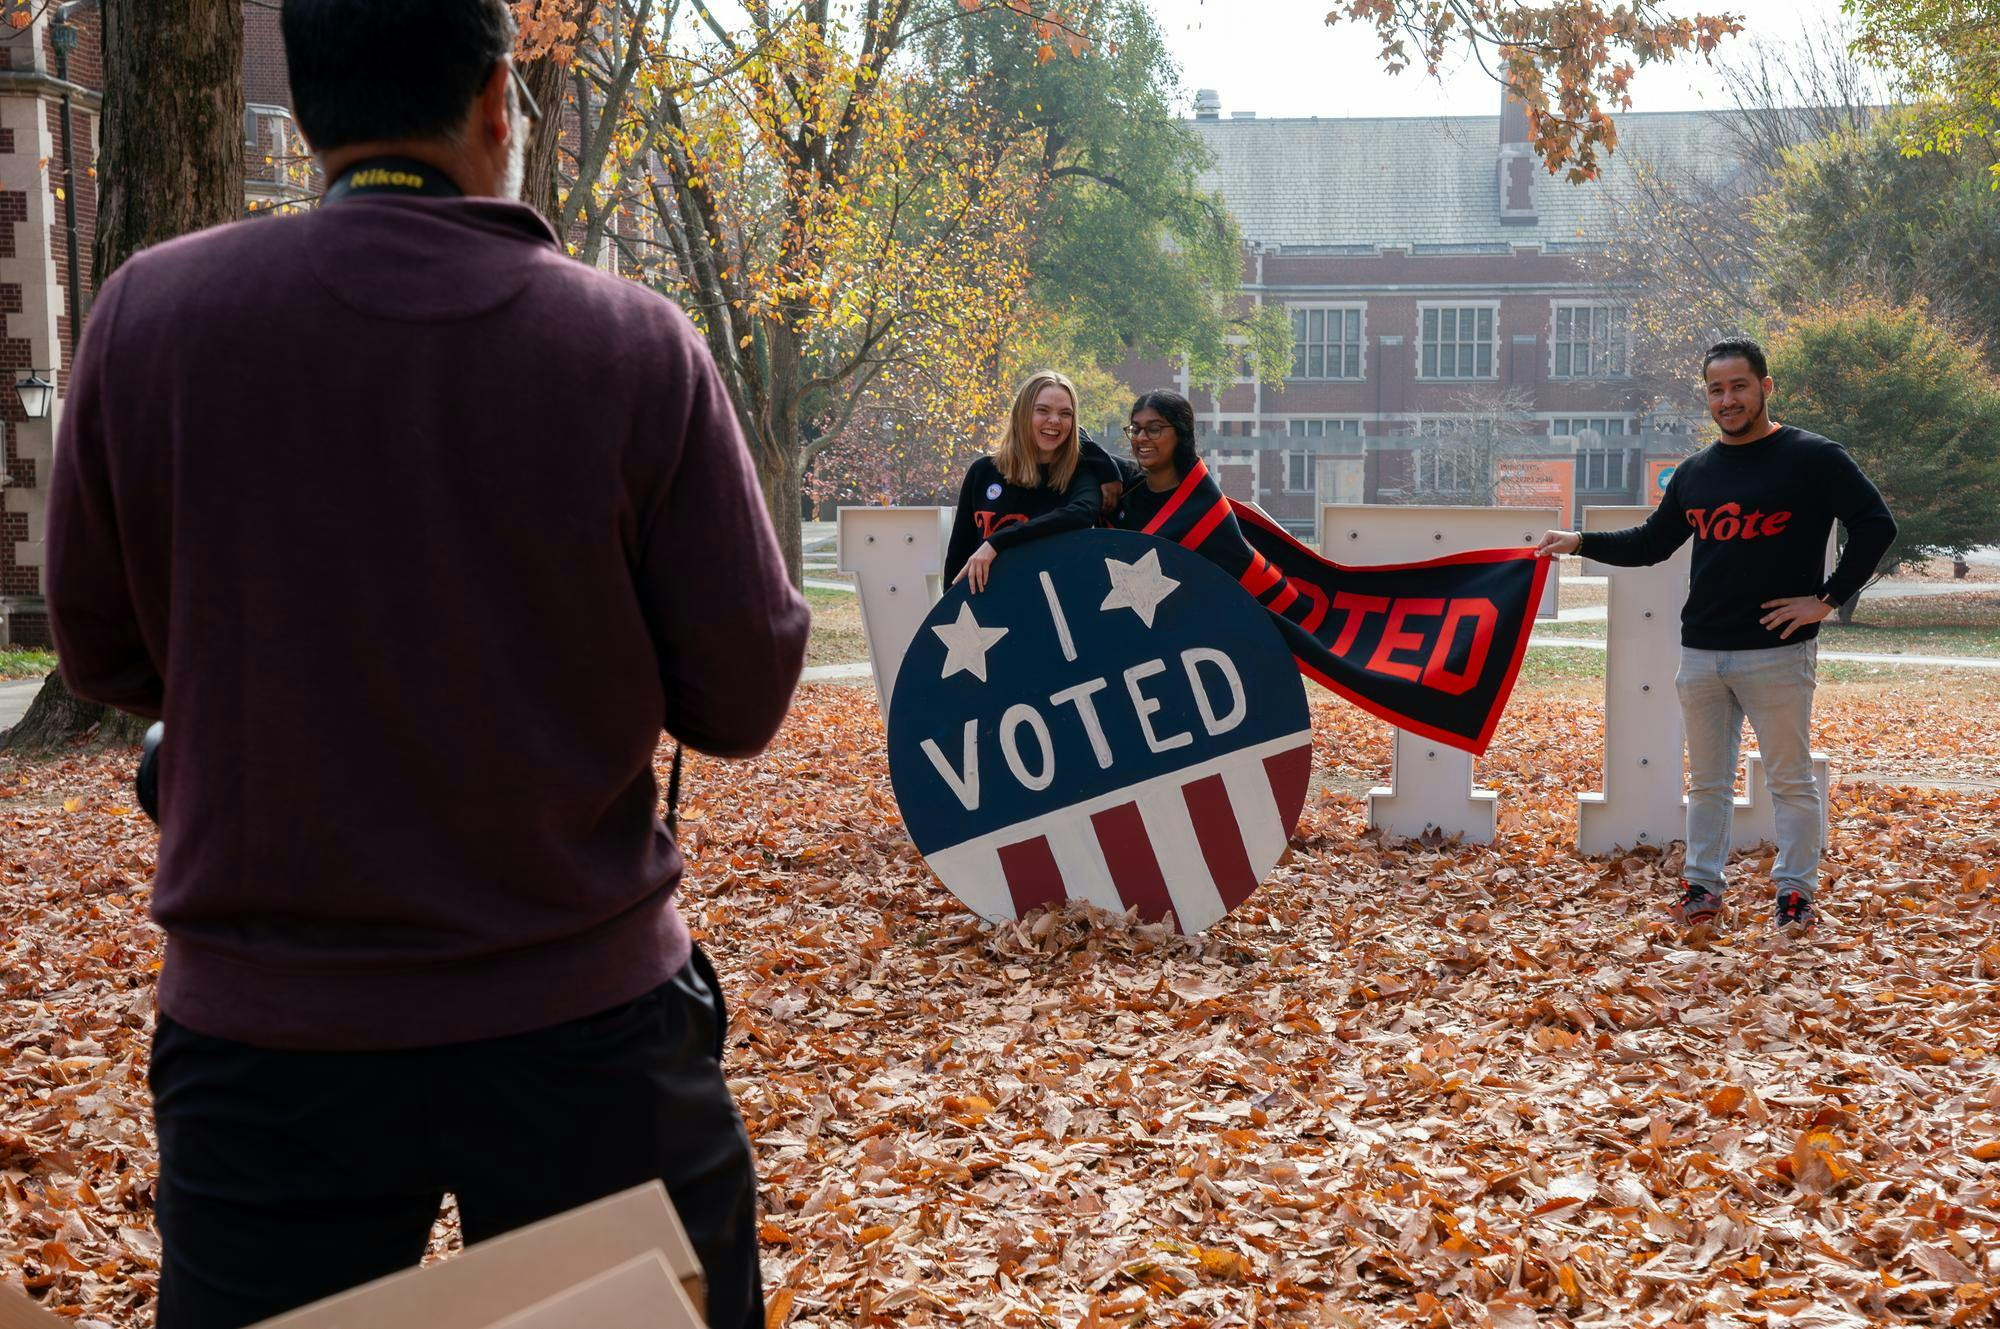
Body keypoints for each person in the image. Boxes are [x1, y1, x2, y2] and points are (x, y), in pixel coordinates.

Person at [42, 3, 806, 1326]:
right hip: (587, 1031)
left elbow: (104, 652)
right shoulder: (633, 349)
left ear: (319, 115)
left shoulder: (146, 320)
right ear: (500, 103)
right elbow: (742, 696)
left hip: (268, 1045)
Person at [1534, 336, 1895, 935]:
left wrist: (1826, 599)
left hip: (1777, 652)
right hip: (1701, 651)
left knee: (1789, 781)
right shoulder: (1698, 472)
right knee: (1706, 784)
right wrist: (1579, 543)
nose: (1727, 400)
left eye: (1739, 386)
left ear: (1765, 387)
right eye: (1716, 389)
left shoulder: (1813, 457)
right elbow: (1652, 543)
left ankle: (1795, 895)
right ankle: (1702, 888)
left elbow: (1876, 524)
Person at [943, 371, 1106, 592]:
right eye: (1042, 410)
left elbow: (1081, 513)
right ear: (1022, 414)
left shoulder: (1081, 474)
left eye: (1065, 413)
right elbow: (959, 556)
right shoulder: (982, 472)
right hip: (989, 612)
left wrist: (997, 542)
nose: (1055, 420)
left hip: (1052, 609)